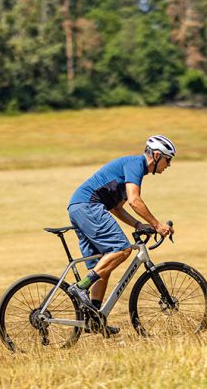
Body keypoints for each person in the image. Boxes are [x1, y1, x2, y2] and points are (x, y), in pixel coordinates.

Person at [65, 135, 176, 335]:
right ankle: (80, 287)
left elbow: (117, 208)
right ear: (157, 156)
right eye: (169, 159)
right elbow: (135, 201)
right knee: (122, 249)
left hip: (78, 207)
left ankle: (94, 319)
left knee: (103, 265)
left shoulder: (134, 169)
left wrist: (138, 224)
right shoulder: (136, 164)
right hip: (88, 206)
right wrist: (157, 224)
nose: (169, 165)